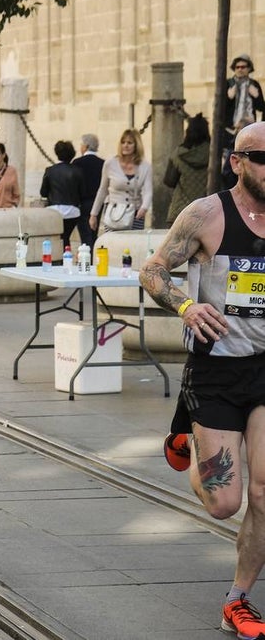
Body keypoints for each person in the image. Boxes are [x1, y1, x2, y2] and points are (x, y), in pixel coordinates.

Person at [139, 121, 265, 640]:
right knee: (224, 502)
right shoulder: (207, 215)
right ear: (237, 162)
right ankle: (191, 437)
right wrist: (187, 307)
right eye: (263, 159)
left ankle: (238, 599)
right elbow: (152, 271)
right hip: (215, 371)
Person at [90, 128, 152, 234]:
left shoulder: (145, 166)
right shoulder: (110, 164)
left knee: (133, 242)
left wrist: (144, 208)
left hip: (135, 213)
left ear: (136, 145)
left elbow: (148, 191)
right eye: (123, 142)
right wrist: (94, 214)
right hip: (114, 213)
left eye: (129, 143)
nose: (125, 145)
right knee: (112, 242)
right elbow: (102, 190)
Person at [221, 55, 265, 189]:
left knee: (249, 163)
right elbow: (220, 108)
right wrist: (229, 96)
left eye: (243, 67)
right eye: (237, 67)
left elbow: (261, 107)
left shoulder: (254, 84)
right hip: (231, 131)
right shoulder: (229, 84)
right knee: (229, 166)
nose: (240, 69)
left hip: (249, 131)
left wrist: (256, 95)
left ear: (249, 68)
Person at [167, 113, 212, 224]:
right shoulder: (213, 154)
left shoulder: (179, 154)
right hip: (206, 211)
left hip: (180, 211)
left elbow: (169, 181)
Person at [39, 141, 83, 250]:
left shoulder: (50, 170)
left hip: (54, 209)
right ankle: (66, 254)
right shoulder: (77, 171)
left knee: (57, 237)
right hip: (72, 211)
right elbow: (82, 192)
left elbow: (43, 192)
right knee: (66, 236)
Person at [72, 133, 104, 248]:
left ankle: (87, 255)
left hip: (83, 203)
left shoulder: (77, 163)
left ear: (85, 146)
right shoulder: (102, 163)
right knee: (93, 232)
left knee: (85, 234)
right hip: (97, 203)